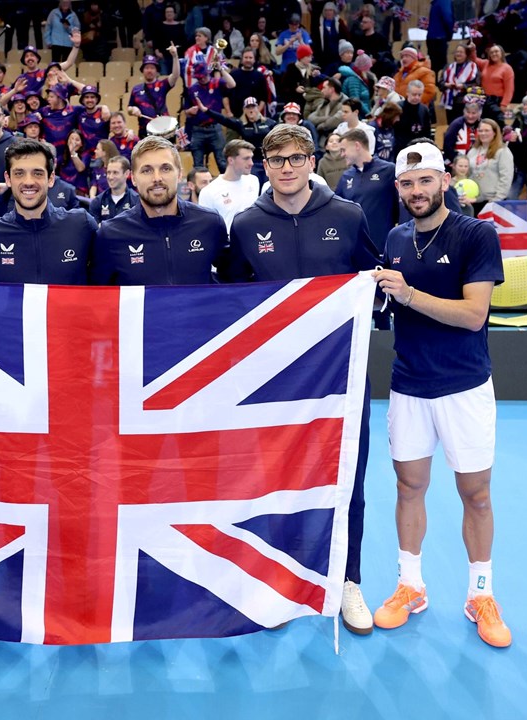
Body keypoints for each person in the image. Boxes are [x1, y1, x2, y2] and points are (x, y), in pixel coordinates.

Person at [229, 123, 379, 636]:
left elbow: (371, 284)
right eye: (277, 160)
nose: (287, 167)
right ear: (264, 167)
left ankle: (348, 581)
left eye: (296, 158)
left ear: (313, 161)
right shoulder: (246, 225)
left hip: (338, 378)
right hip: (270, 385)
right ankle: (276, 581)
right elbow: (232, 301)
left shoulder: (348, 215)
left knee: (347, 477)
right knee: (270, 480)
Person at [371, 141, 510, 649]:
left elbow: (475, 314)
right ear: (398, 189)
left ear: (444, 181)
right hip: (408, 384)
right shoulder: (394, 237)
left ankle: (481, 594)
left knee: (475, 493)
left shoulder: (477, 234)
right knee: (409, 488)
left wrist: (408, 294)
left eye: (425, 180)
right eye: (406, 184)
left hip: (465, 385)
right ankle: (411, 585)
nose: (416, 191)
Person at [92, 135, 229, 286]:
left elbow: (235, 283)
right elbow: (100, 298)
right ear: (133, 178)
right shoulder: (110, 234)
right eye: (147, 170)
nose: (157, 178)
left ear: (179, 174)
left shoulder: (209, 223)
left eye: (165, 168)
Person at [0, 138, 96, 283]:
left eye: (37, 173)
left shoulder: (82, 225)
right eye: (19, 173)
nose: (28, 182)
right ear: (8, 179)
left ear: (50, 178)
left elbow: (104, 290)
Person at [336, 127, 397, 257]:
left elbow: (400, 208)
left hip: (384, 247)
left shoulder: (389, 171)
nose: (341, 154)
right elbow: (338, 211)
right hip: (355, 249)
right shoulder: (346, 176)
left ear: (357, 145)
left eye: (343, 150)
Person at [202, 96, 277, 185]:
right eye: (248, 107)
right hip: (251, 161)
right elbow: (224, 120)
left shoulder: (270, 123)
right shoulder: (241, 124)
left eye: (253, 107)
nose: (251, 110)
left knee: (269, 186)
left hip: (267, 160)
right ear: (244, 110)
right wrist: (207, 111)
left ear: (258, 108)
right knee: (253, 185)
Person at [183, 61, 236, 174]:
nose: (201, 79)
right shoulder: (192, 89)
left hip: (214, 127)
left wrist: (221, 69)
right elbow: (186, 111)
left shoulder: (216, 83)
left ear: (208, 73)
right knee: (197, 164)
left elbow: (232, 84)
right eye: (199, 77)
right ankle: (199, 190)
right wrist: (190, 111)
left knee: (222, 161)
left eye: (203, 76)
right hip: (198, 129)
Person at [198, 139, 259, 231]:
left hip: (253, 239)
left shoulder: (253, 181)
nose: (251, 163)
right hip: (227, 243)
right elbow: (205, 225)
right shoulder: (209, 191)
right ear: (231, 160)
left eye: (251, 158)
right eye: (246, 158)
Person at [464, 119, 513, 215]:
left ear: (494, 132)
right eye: (481, 131)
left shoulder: (503, 151)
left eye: (487, 130)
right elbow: (467, 174)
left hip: (493, 202)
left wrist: (496, 200)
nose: (483, 133)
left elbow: (506, 178)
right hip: (474, 201)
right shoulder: (473, 151)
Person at [466, 42, 514, 115]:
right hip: (483, 99)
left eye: (496, 51)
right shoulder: (485, 63)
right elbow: (474, 59)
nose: (494, 54)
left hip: (497, 101)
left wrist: (504, 104)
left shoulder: (507, 68)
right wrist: (473, 49)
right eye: (491, 52)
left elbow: (509, 89)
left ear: (502, 53)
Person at [88, 155, 137, 223]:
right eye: (108, 172)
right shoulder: (97, 202)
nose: (110, 177)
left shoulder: (137, 201)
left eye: (115, 173)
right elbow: (94, 230)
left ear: (126, 173)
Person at [439, 45, 479, 124]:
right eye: (457, 52)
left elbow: (477, 84)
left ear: (466, 54)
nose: (458, 54)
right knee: (452, 125)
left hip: (466, 102)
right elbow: (440, 83)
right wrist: (446, 85)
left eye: (461, 52)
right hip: (450, 102)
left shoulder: (472, 66)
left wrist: (464, 86)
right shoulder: (448, 67)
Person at [310, 2, 350, 69]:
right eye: (326, 10)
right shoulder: (319, 24)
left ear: (334, 11)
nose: (328, 12)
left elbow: (347, 36)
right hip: (324, 57)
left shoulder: (339, 22)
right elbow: (315, 39)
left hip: (337, 56)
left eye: (330, 10)